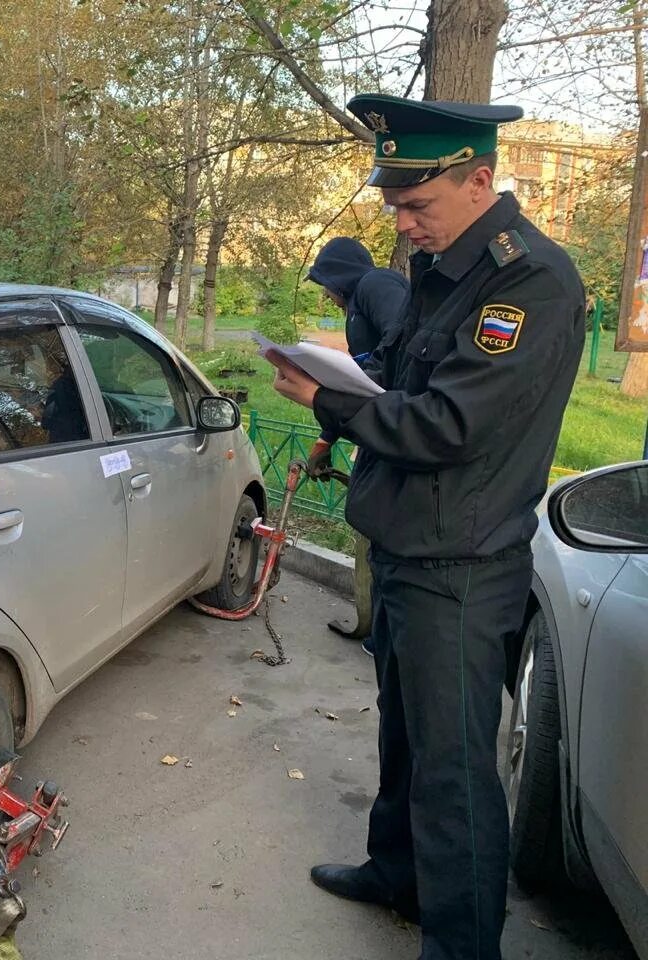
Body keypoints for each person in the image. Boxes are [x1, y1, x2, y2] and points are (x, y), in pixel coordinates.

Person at [268, 94, 585, 960]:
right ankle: (396, 872)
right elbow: (403, 375)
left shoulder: (528, 281)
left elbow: (450, 424)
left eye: (418, 204)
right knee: (404, 735)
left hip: (462, 566)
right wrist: (337, 374)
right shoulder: (443, 269)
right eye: (394, 205)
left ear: (480, 179)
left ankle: (460, 942)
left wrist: (327, 400)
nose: (403, 224)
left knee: (454, 771)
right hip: (410, 546)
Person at [305, 238, 410, 646]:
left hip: (397, 427)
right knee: (371, 530)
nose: (326, 296)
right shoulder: (355, 308)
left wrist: (360, 366)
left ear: (338, 277)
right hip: (376, 428)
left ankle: (381, 634)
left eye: (325, 285)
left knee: (382, 537)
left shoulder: (376, 283)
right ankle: (374, 629)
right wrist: (324, 439)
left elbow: (397, 347)